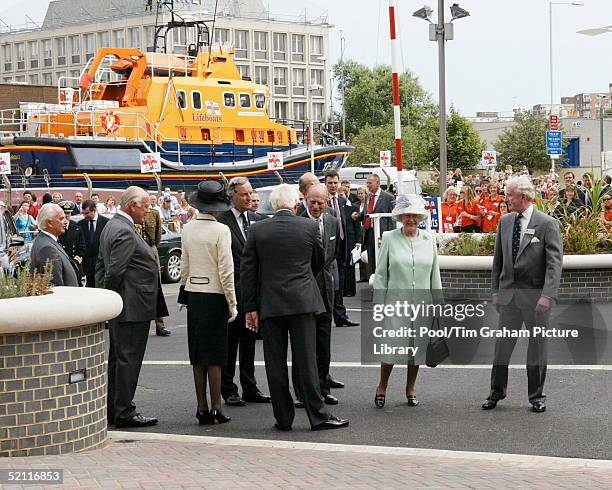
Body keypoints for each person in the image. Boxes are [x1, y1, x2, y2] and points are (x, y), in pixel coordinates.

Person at [241, 184, 349, 431]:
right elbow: (319, 262)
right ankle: (318, 415)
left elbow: (248, 271)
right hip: (302, 300)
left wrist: (251, 307)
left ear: (272, 205)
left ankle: (283, 417)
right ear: (295, 204)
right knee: (307, 361)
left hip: (270, 303)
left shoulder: (257, 230)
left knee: (274, 362)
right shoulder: (309, 227)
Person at [483, 176, 563, 414]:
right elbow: (498, 261)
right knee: (502, 347)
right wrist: (495, 291)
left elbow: (554, 264)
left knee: (537, 347)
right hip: (508, 297)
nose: (506, 200)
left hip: (536, 299)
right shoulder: (505, 222)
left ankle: (536, 396)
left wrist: (548, 296)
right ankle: (496, 392)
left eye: (510, 195)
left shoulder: (547, 224)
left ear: (524, 197)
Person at [96, 186, 159, 428]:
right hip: (131, 306)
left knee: (120, 360)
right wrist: (109, 300)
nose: (147, 211)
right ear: (132, 205)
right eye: (145, 207)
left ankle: (115, 408)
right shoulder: (122, 230)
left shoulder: (113, 226)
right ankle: (124, 411)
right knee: (128, 361)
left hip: (127, 305)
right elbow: (114, 272)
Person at [373, 195, 442, 409]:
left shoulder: (428, 240)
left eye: (414, 215)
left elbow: (434, 273)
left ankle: (410, 389)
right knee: (391, 349)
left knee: (416, 351)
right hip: (395, 304)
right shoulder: (389, 237)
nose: (411, 219)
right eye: (406, 215)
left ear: (420, 217)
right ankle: (382, 386)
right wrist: (379, 304)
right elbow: (381, 274)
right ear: (400, 217)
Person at [179, 180, 237, 425]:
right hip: (215, 295)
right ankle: (216, 406)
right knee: (215, 354)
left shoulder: (188, 228)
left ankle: (201, 406)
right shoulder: (221, 230)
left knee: (198, 353)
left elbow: (184, 264)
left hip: (194, 293)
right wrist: (232, 302)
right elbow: (226, 269)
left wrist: (184, 292)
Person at [217, 177, 270, 407]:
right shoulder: (222, 222)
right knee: (230, 342)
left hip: (254, 293)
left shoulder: (258, 220)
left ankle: (250, 386)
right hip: (232, 292)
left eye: (251, 193)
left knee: (249, 342)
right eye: (244, 194)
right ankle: (228, 388)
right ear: (232, 195)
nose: (250, 198)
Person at [294, 184, 342, 407]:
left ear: (326, 202)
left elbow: (333, 256)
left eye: (319, 203)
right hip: (303, 292)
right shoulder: (297, 221)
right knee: (303, 346)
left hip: (325, 291)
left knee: (323, 344)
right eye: (311, 202)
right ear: (305, 200)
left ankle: (323, 389)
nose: (315, 206)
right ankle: (303, 393)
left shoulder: (332, 221)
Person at [324, 169, 358, 328]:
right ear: (325, 184)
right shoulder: (322, 202)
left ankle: (340, 316)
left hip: (342, 247)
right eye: (330, 183)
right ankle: (326, 314)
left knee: (339, 284)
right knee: (328, 284)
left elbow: (348, 224)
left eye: (335, 183)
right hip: (327, 249)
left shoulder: (343, 202)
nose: (333, 185)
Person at [136, 204, 171, 337]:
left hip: (151, 250)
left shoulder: (154, 214)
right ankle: (140, 324)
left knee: (157, 288)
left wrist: (153, 249)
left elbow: (157, 238)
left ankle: (160, 325)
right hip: (138, 252)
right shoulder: (134, 214)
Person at [355, 174, 395, 279]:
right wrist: (358, 216)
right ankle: (373, 283)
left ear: (377, 183)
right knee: (371, 260)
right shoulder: (369, 197)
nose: (368, 185)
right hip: (369, 234)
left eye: (370, 183)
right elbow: (366, 214)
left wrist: (391, 234)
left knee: (382, 260)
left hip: (382, 235)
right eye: (367, 183)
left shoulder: (388, 197)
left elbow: (393, 217)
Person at [30, 203, 79, 287]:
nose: (66, 222)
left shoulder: (47, 240)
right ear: (49, 223)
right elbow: (56, 287)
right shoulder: (47, 249)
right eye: (61, 219)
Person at [78, 199, 109, 288]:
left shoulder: (106, 222)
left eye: (86, 213)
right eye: (83, 213)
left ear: (94, 210)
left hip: (102, 263)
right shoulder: (80, 224)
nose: (84, 216)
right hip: (87, 265)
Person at [57, 201, 86, 283]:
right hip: (61, 263)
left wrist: (76, 261)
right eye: (64, 213)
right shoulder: (57, 227)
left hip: (75, 263)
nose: (66, 215)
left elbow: (82, 247)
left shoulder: (76, 227)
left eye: (68, 213)